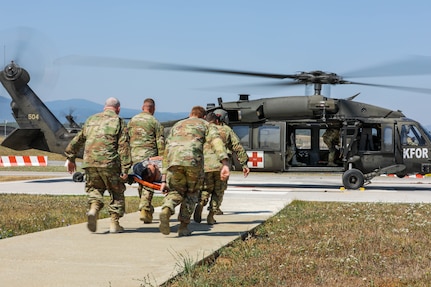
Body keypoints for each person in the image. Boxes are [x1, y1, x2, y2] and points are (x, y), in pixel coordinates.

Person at [159, 106, 230, 237]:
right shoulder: (206, 125)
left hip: (173, 162)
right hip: (193, 163)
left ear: (190, 114)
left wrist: (163, 178)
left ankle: (167, 208)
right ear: (203, 117)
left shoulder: (177, 125)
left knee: (175, 191)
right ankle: (183, 227)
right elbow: (216, 141)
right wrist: (224, 162)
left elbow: (166, 151)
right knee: (192, 194)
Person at [65, 97, 132, 233]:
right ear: (118, 109)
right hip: (110, 163)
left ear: (104, 107)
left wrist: (71, 158)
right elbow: (123, 146)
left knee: (95, 189)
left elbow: (77, 139)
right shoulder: (119, 121)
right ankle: (114, 224)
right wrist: (125, 169)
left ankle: (94, 209)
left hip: (89, 163)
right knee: (116, 192)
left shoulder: (91, 120)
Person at [193, 111, 249, 225]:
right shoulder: (226, 130)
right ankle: (211, 216)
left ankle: (201, 203)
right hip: (221, 166)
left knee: (205, 189)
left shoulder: (201, 130)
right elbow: (237, 146)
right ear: (217, 121)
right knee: (218, 191)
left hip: (205, 166)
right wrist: (244, 163)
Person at [128, 98, 165, 223]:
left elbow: (125, 139)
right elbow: (160, 142)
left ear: (142, 107)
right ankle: (145, 208)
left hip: (134, 157)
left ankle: (146, 209)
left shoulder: (132, 121)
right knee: (148, 183)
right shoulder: (155, 122)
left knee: (140, 182)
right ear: (153, 109)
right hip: (149, 158)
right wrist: (162, 159)